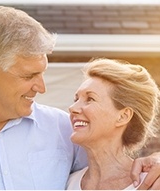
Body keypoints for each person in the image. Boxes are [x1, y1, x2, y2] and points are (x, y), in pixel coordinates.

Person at [0, 6, 159, 190]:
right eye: (29, 76)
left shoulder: (62, 129)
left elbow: (111, 160)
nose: (41, 88)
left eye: (42, 74)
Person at [66, 58, 160, 190]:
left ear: (123, 116)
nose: (72, 108)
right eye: (76, 99)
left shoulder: (152, 183)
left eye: (90, 99)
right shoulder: (67, 182)